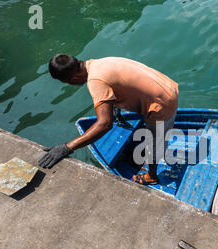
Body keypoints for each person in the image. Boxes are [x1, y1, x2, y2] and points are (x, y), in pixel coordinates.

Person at [38, 54, 179, 185]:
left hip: (161, 104)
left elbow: (104, 124)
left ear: (72, 79)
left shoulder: (95, 82)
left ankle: (152, 176)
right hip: (168, 86)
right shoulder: (99, 63)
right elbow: (119, 82)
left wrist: (66, 147)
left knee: (154, 143)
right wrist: (115, 109)